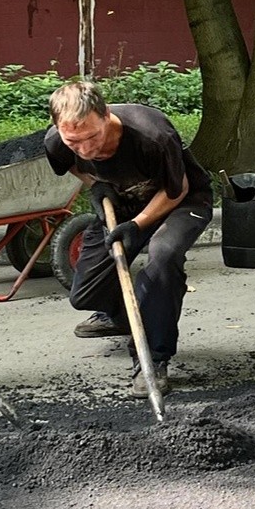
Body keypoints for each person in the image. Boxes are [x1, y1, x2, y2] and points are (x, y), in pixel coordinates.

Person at [44, 81, 213, 398]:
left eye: (93, 137)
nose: (86, 149)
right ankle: (123, 316)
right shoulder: (56, 142)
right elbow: (74, 167)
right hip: (123, 204)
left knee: (164, 257)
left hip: (181, 201)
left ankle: (153, 360)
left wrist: (138, 224)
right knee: (85, 295)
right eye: (74, 142)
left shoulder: (152, 135)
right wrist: (95, 184)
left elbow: (178, 190)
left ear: (106, 115)